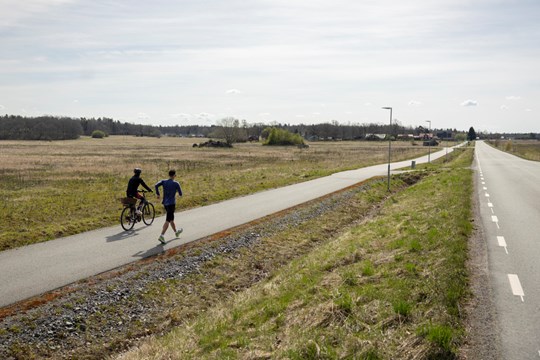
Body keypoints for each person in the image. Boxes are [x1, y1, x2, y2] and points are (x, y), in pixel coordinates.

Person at [154, 169, 183, 244]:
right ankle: (162, 235)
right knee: (168, 219)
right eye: (175, 175)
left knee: (171, 219)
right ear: (174, 175)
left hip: (165, 203)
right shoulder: (176, 183)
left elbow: (156, 185)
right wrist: (177, 193)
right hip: (171, 204)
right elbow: (180, 194)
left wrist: (158, 194)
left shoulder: (163, 181)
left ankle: (176, 232)